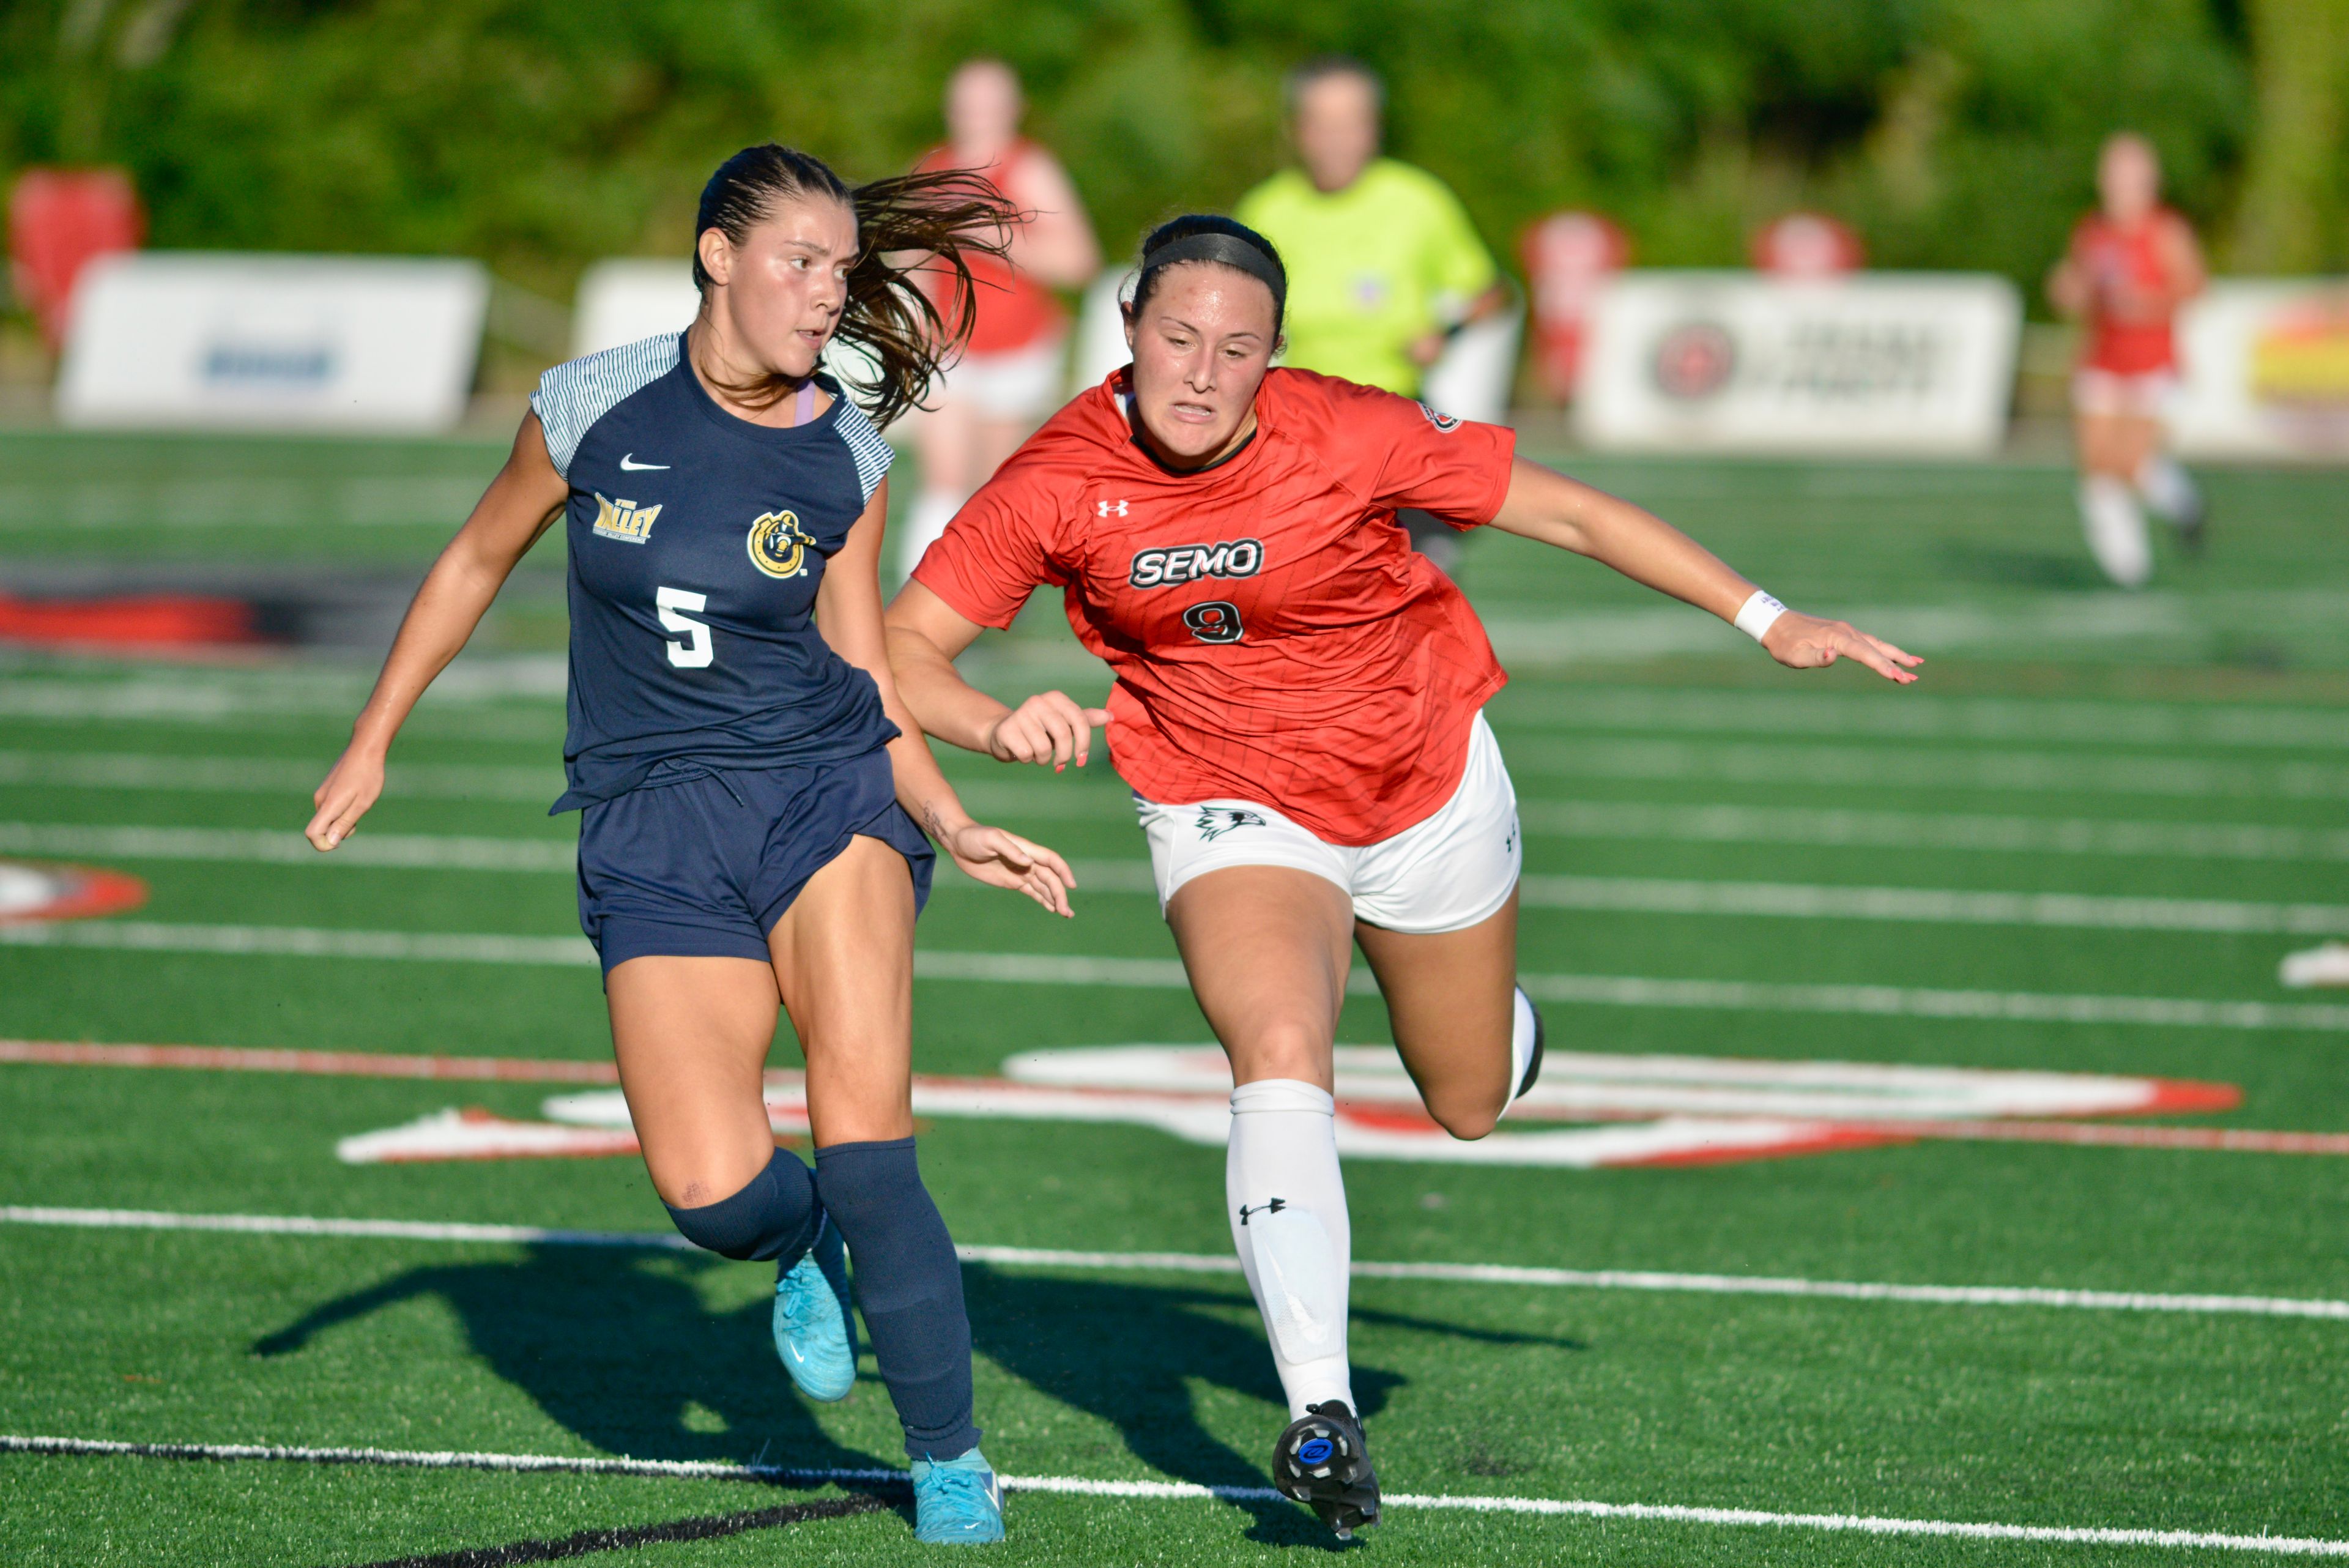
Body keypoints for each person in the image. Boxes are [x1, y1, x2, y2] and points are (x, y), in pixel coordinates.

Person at [883, 215, 1919, 1539]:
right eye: (1178, 337)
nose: (1201, 373)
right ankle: (1321, 1417)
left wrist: (1771, 619)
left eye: (1236, 349)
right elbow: (908, 645)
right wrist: (987, 720)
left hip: (1423, 776)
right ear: (1131, 329)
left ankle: (1507, 1037)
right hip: (1226, 798)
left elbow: (1569, 509)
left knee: (1469, 1097)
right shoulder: (1058, 477)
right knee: (1275, 1044)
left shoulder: (1349, 429)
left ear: (1276, 358)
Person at [304, 144, 1082, 1547]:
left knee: (867, 1142)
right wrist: (374, 734)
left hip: (823, 799)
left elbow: (868, 675)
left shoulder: (845, 450)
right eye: (798, 262)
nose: (823, 295)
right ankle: (798, 1245)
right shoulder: (590, 405)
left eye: (842, 272)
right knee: (711, 1193)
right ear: (717, 256)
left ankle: (948, 1455)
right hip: (650, 823)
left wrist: (953, 818)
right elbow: (476, 560)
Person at [1234, 56, 1511, 573]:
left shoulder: (1416, 200)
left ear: (1373, 130)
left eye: (1351, 123)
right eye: (1321, 123)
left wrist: (1444, 332)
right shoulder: (1266, 211)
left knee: (1425, 569)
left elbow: (1493, 291)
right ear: (1298, 131)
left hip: (1394, 413)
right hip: (1294, 423)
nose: (1336, 139)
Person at [899, 58, 1101, 582]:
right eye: (968, 102)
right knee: (942, 478)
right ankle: (917, 595)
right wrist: (915, 320)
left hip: (1017, 349)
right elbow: (912, 260)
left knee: (994, 485)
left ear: (1013, 110)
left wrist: (997, 241)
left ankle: (983, 592)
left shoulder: (1032, 170)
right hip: (950, 348)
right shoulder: (932, 168)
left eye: (990, 103)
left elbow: (1079, 261)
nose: (977, 115)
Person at [2047, 133, 2208, 588]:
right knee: (2096, 462)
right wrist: (2066, 290)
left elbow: (2194, 285)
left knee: (2130, 462)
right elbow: (2078, 288)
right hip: (2103, 357)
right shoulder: (2092, 231)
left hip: (2152, 361)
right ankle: (2128, 567)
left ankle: (2183, 502)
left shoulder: (2165, 230)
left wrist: (2150, 302)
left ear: (2148, 180)